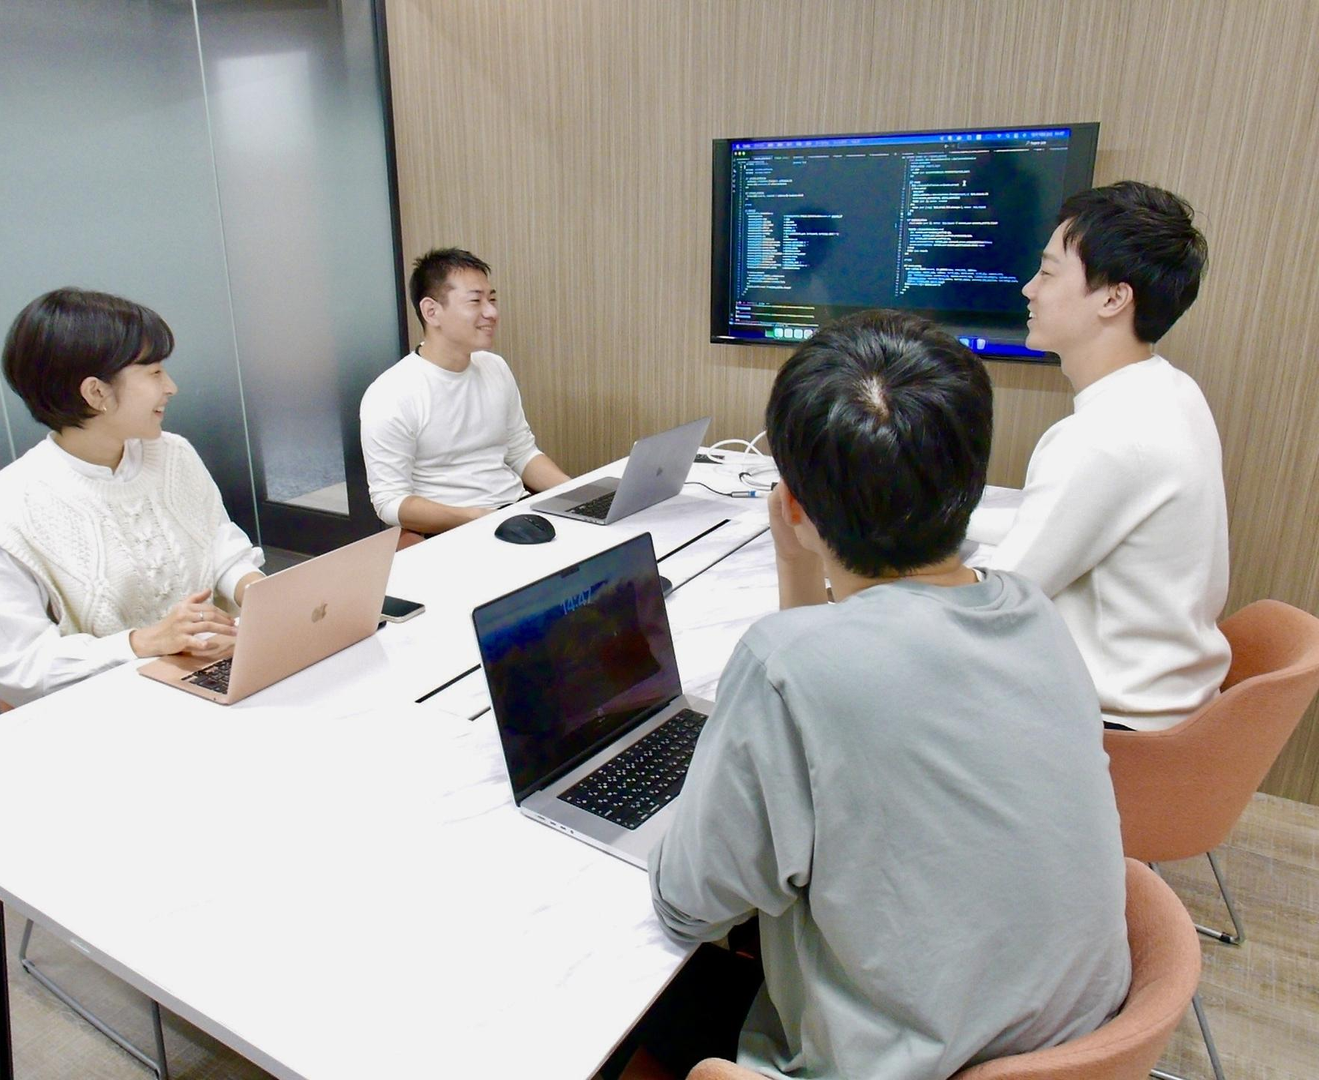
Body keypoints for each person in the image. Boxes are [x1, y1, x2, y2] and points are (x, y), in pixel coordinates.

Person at [642, 311, 1130, 1080]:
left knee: (639, 1010)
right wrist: (800, 567)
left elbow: (688, 905)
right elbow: (839, 666)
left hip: (896, 1063)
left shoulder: (786, 666)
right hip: (1078, 1050)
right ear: (972, 482)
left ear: (792, 505)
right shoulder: (1034, 611)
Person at [985, 181, 1229, 730]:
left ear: (1114, 298)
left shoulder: (1102, 437)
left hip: (1110, 725)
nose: (1029, 289)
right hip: (1170, 697)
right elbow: (1052, 524)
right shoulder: (1171, 390)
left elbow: (998, 603)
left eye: (1047, 273)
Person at [0, 288, 264, 708]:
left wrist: (260, 593)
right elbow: (17, 670)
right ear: (96, 393)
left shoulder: (172, 454)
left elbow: (218, 548)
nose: (171, 387)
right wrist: (141, 643)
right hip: (107, 709)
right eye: (154, 372)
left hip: (209, 678)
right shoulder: (2, 512)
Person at [358, 248, 568, 534]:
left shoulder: (494, 367)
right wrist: (477, 517)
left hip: (516, 511)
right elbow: (389, 501)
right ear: (431, 311)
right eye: (475, 301)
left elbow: (522, 452)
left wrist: (578, 493)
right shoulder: (390, 395)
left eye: (492, 300)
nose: (491, 313)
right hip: (451, 528)